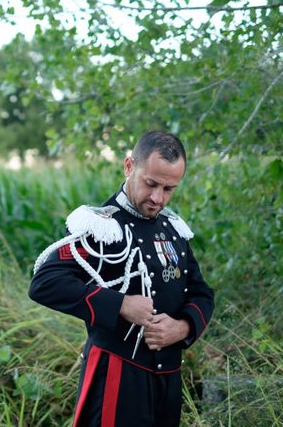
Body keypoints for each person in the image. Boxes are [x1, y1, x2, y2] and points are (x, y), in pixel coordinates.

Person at [28, 131, 214, 427]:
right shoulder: (101, 226)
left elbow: (201, 292)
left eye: (169, 189)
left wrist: (182, 327)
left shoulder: (173, 229)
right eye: (150, 183)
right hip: (116, 376)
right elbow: (44, 282)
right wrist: (121, 304)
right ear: (129, 166)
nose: (157, 198)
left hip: (168, 380)